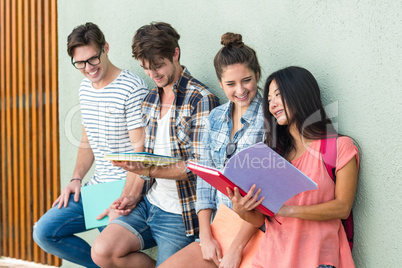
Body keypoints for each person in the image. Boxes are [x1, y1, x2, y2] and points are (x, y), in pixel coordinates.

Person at [90, 22, 220, 268]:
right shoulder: (150, 99)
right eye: (146, 69)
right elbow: (147, 157)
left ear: (175, 54)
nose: (153, 75)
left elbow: (198, 169)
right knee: (102, 251)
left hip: (181, 213)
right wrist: (130, 196)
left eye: (158, 66)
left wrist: (146, 170)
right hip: (150, 201)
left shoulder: (201, 99)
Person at [32, 22, 149, 268]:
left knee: (108, 252)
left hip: (123, 191)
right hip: (95, 190)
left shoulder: (132, 88)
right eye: (80, 63)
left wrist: (125, 198)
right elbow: (88, 139)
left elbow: (141, 152)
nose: (88, 68)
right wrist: (76, 179)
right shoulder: (85, 88)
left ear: (105, 48)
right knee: (44, 232)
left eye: (93, 59)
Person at [228, 66, 359, 268]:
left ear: (300, 94)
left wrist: (287, 210)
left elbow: (342, 207)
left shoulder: (338, 147)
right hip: (269, 259)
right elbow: (264, 221)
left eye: (278, 95)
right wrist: (243, 210)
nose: (272, 105)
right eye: (269, 100)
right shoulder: (272, 155)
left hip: (317, 259)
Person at [160, 33, 265, 268]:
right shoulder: (216, 117)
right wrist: (205, 236)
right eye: (230, 84)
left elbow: (266, 192)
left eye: (246, 80)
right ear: (220, 83)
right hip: (220, 225)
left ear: (257, 74)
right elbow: (205, 179)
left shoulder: (268, 117)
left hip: (254, 231)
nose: (240, 90)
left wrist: (236, 249)